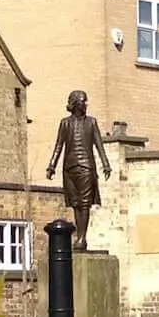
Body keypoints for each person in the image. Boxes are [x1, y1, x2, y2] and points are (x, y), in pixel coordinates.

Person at [45, 88, 113, 248]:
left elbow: (99, 144)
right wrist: (51, 166)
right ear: (75, 103)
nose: (86, 104)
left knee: (85, 203)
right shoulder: (65, 123)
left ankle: (82, 237)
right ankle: (79, 238)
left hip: (86, 167)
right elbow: (58, 145)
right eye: (83, 101)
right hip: (69, 168)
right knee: (75, 203)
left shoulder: (91, 122)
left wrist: (106, 164)